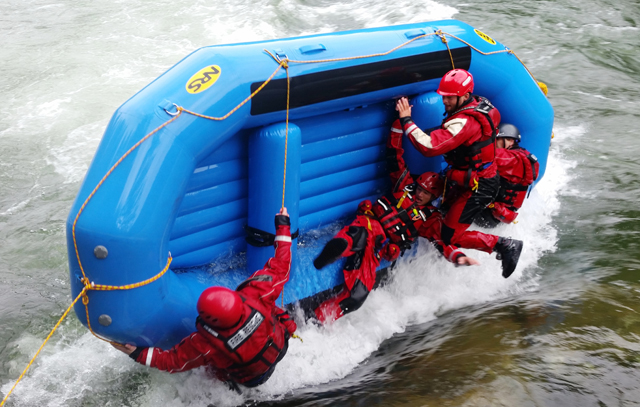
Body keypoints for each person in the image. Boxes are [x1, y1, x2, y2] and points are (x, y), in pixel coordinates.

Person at [311, 120, 482, 324]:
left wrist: (458, 256)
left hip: (378, 248)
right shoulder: (404, 186)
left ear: (433, 196)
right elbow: (394, 155)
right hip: (370, 225)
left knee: (357, 297)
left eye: (425, 193)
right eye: (419, 189)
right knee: (358, 235)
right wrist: (399, 123)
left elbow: (443, 240)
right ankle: (330, 253)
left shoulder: (429, 218)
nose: (419, 194)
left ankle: (317, 320)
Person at [113, 208, 296, 389]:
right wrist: (283, 226)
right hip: (280, 348)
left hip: (253, 378)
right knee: (269, 309)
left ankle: (228, 386)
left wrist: (137, 353)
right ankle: (290, 327)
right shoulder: (257, 293)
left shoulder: (207, 344)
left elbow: (173, 361)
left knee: (213, 370)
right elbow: (281, 265)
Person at [395, 68, 523, 278]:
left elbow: (429, 147)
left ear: (464, 96)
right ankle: (455, 254)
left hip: (478, 185)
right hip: (471, 177)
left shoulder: (465, 122)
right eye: (443, 96)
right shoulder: (479, 104)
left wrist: (407, 120)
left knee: (449, 235)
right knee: (443, 218)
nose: (444, 101)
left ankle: (504, 245)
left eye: (448, 98)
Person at [474, 123, 540, 228]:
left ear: (509, 140)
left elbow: (485, 156)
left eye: (496, 140)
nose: (493, 143)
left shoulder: (511, 158)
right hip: (499, 215)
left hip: (487, 214)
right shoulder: (523, 155)